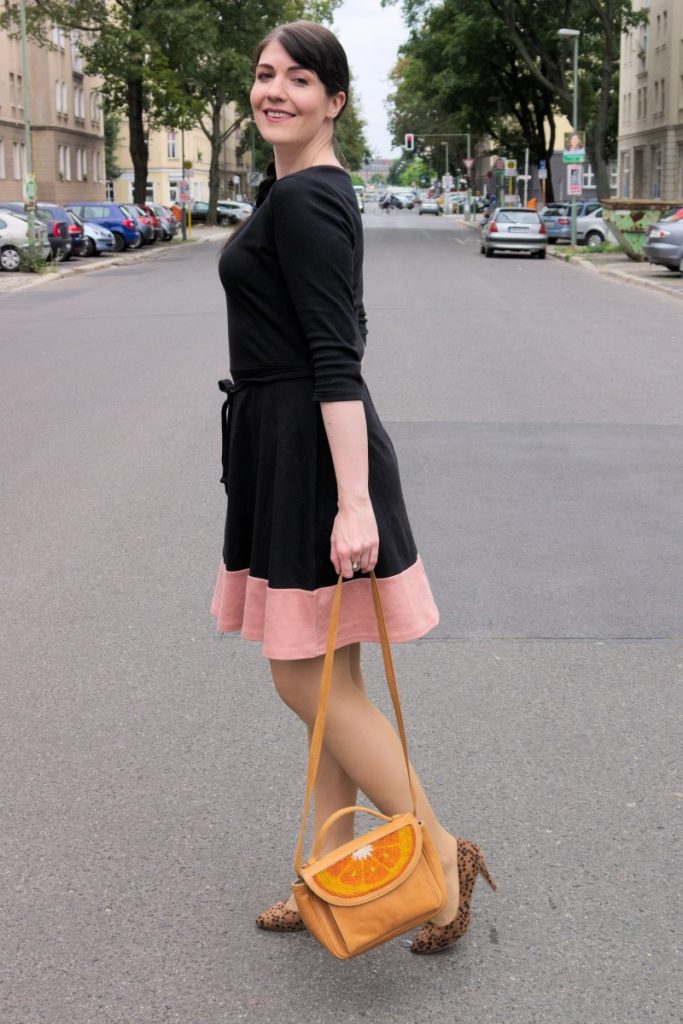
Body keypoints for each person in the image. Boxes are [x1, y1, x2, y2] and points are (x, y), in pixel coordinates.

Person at [211, 20, 495, 955]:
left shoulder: (306, 201)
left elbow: (338, 357)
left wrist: (353, 501)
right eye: (263, 75)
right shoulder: (296, 192)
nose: (275, 90)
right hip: (284, 442)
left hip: (308, 452)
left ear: (334, 100)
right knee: (331, 673)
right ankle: (332, 876)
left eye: (300, 78)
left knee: (302, 677)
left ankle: (439, 854)